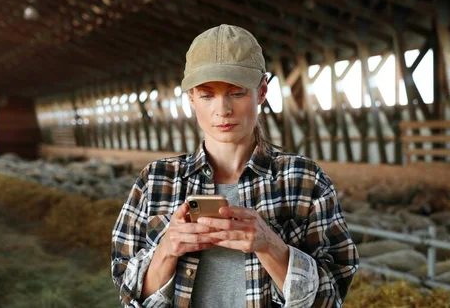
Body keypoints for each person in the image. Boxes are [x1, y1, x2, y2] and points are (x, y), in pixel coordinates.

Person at [111, 24, 359, 308]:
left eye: (237, 93)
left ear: (262, 91)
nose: (223, 109)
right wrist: (167, 250)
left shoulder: (305, 180)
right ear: (191, 98)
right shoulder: (155, 181)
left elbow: (332, 295)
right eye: (207, 95)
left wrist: (270, 245)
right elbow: (128, 293)